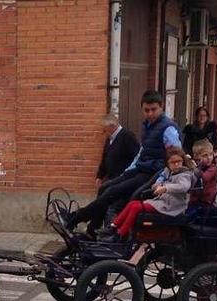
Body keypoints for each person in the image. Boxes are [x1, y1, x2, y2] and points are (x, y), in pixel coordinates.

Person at [64, 90, 181, 231]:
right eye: (146, 110)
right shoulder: (147, 126)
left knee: (111, 192)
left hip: (152, 174)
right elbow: (141, 152)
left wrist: (164, 180)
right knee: (104, 188)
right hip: (140, 169)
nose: (150, 113)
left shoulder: (168, 128)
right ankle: (92, 228)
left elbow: (175, 157)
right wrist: (126, 172)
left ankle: (76, 217)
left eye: (153, 110)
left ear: (162, 107)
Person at [105, 147, 196, 241]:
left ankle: (119, 235)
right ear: (168, 163)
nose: (176, 164)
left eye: (179, 161)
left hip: (172, 205)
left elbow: (183, 187)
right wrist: (156, 186)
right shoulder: (167, 172)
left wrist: (165, 188)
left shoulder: (185, 175)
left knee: (136, 207)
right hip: (163, 201)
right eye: (173, 162)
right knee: (132, 204)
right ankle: (114, 226)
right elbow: (158, 181)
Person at [95, 113, 139, 187]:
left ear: (112, 126)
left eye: (104, 129)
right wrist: (100, 176)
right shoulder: (109, 139)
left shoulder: (128, 136)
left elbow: (136, 158)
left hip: (123, 181)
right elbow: (104, 158)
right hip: (112, 180)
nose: (103, 132)